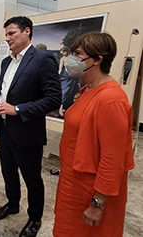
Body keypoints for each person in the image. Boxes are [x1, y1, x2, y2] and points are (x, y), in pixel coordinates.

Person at [0, 16, 61, 237]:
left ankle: (35, 218)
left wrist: (17, 109)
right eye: (6, 34)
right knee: (8, 171)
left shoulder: (43, 59)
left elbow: (53, 99)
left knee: (32, 177)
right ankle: (12, 203)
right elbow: (3, 91)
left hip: (27, 130)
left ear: (27, 31)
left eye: (11, 33)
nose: (7, 38)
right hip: (4, 128)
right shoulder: (6, 62)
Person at [53, 32, 134, 237]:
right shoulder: (89, 89)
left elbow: (113, 159)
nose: (72, 59)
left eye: (78, 53)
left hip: (91, 194)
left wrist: (98, 204)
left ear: (98, 59)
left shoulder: (111, 99)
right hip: (74, 187)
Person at [58, 46, 79, 117]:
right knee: (64, 91)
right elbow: (60, 69)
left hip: (73, 77)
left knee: (72, 92)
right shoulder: (62, 59)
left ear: (66, 50)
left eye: (63, 52)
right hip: (66, 77)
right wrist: (57, 76)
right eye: (62, 53)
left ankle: (68, 108)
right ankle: (60, 108)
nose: (63, 54)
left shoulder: (73, 57)